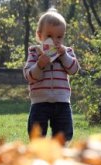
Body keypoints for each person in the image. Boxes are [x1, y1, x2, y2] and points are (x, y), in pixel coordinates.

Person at [23, 7, 80, 143]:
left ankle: (60, 154)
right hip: (40, 101)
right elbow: (28, 76)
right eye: (49, 36)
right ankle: (38, 154)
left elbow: (74, 70)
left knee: (63, 134)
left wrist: (64, 55)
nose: (55, 41)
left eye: (59, 37)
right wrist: (39, 65)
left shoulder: (67, 52)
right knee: (36, 134)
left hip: (62, 101)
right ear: (39, 35)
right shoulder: (35, 53)